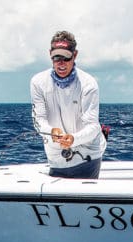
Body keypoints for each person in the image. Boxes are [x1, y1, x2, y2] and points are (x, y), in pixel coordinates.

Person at [30, 31, 106, 179]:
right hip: (55, 158)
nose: (61, 62)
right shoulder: (37, 82)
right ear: (50, 55)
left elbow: (93, 126)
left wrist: (73, 139)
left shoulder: (88, 84)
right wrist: (51, 131)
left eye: (66, 57)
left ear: (75, 55)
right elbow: (38, 121)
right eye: (57, 57)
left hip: (87, 157)